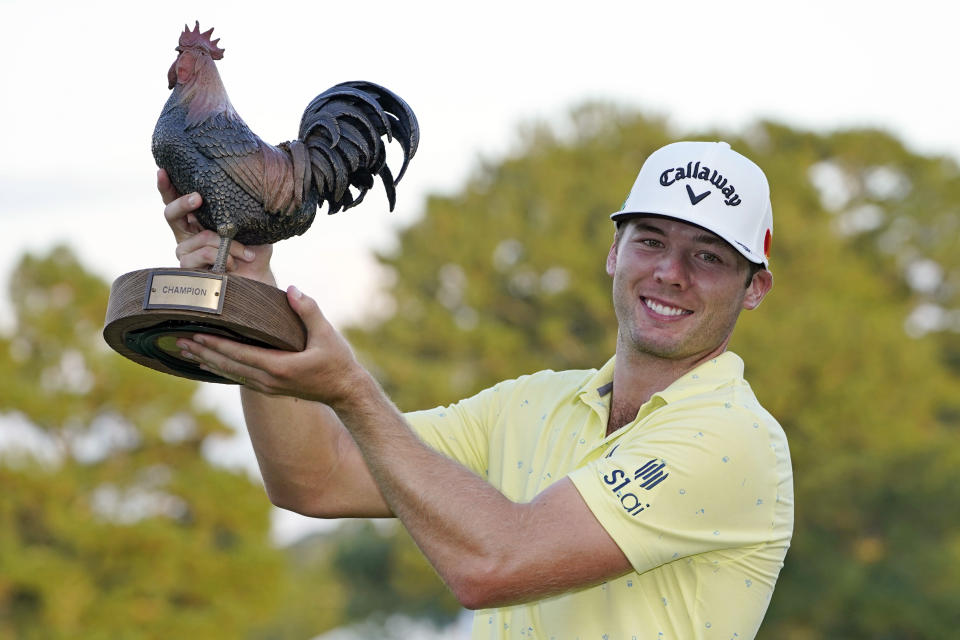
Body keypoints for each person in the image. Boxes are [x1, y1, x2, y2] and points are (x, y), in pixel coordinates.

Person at [161, 140, 794, 639]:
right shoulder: (532, 403)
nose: (669, 272)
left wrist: (352, 391)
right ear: (614, 252)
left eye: (708, 256)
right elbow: (316, 477)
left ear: (755, 288)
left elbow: (494, 564)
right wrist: (254, 294)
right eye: (651, 241)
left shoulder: (734, 438)